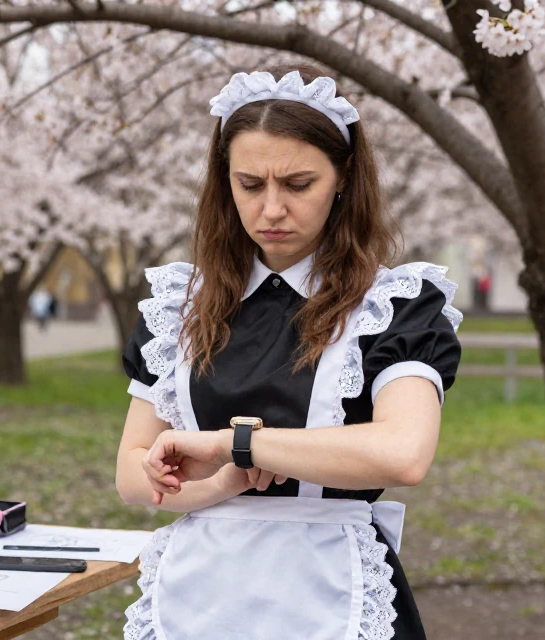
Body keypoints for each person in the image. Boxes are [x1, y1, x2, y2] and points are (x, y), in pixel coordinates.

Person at [117, 65, 462, 639]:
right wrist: (221, 482)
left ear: (343, 178)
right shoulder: (180, 303)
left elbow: (404, 453)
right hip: (201, 594)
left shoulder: (396, 305)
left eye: (298, 185)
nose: (271, 209)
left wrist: (236, 445)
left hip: (332, 590)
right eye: (249, 185)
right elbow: (133, 474)